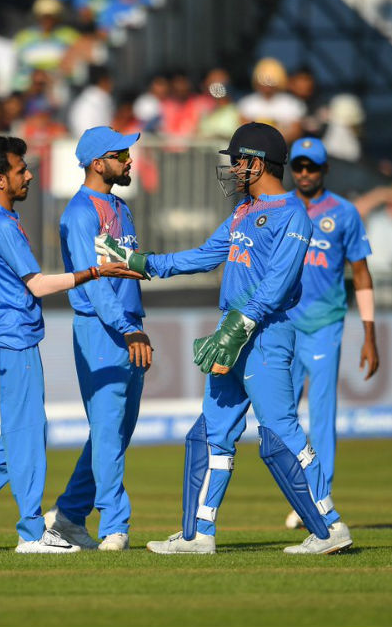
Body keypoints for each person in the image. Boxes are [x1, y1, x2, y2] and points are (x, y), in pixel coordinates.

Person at [98, 122, 334, 554]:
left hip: (265, 334)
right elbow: (204, 256)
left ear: (258, 163)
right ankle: (198, 534)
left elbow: (278, 284)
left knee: (279, 433)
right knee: (210, 433)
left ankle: (329, 527)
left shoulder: (293, 215)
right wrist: (142, 263)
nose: (234, 169)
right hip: (232, 330)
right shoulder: (243, 211)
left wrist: (239, 327)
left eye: (239, 161)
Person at [0, 136, 142, 554]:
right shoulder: (2, 224)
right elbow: (40, 285)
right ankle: (30, 533)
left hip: (2, 330)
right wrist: (91, 274)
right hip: (13, 335)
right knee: (28, 434)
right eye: (20, 170)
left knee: (22, 431)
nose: (28, 175)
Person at [42, 126, 152, 552]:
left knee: (116, 432)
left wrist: (133, 323)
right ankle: (114, 526)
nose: (129, 160)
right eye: (120, 154)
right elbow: (92, 286)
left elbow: (126, 271)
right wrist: (128, 329)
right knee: (107, 431)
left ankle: (69, 516)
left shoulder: (120, 206)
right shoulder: (79, 213)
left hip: (129, 325)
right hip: (102, 329)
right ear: (97, 163)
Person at [282, 138, 379, 551]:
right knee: (280, 415)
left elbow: (361, 273)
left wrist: (370, 333)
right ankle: (298, 493)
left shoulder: (344, 212)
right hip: (282, 324)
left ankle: (319, 498)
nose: (305, 173)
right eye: (299, 166)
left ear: (324, 170)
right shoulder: (280, 207)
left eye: (312, 167)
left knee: (322, 415)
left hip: (325, 325)